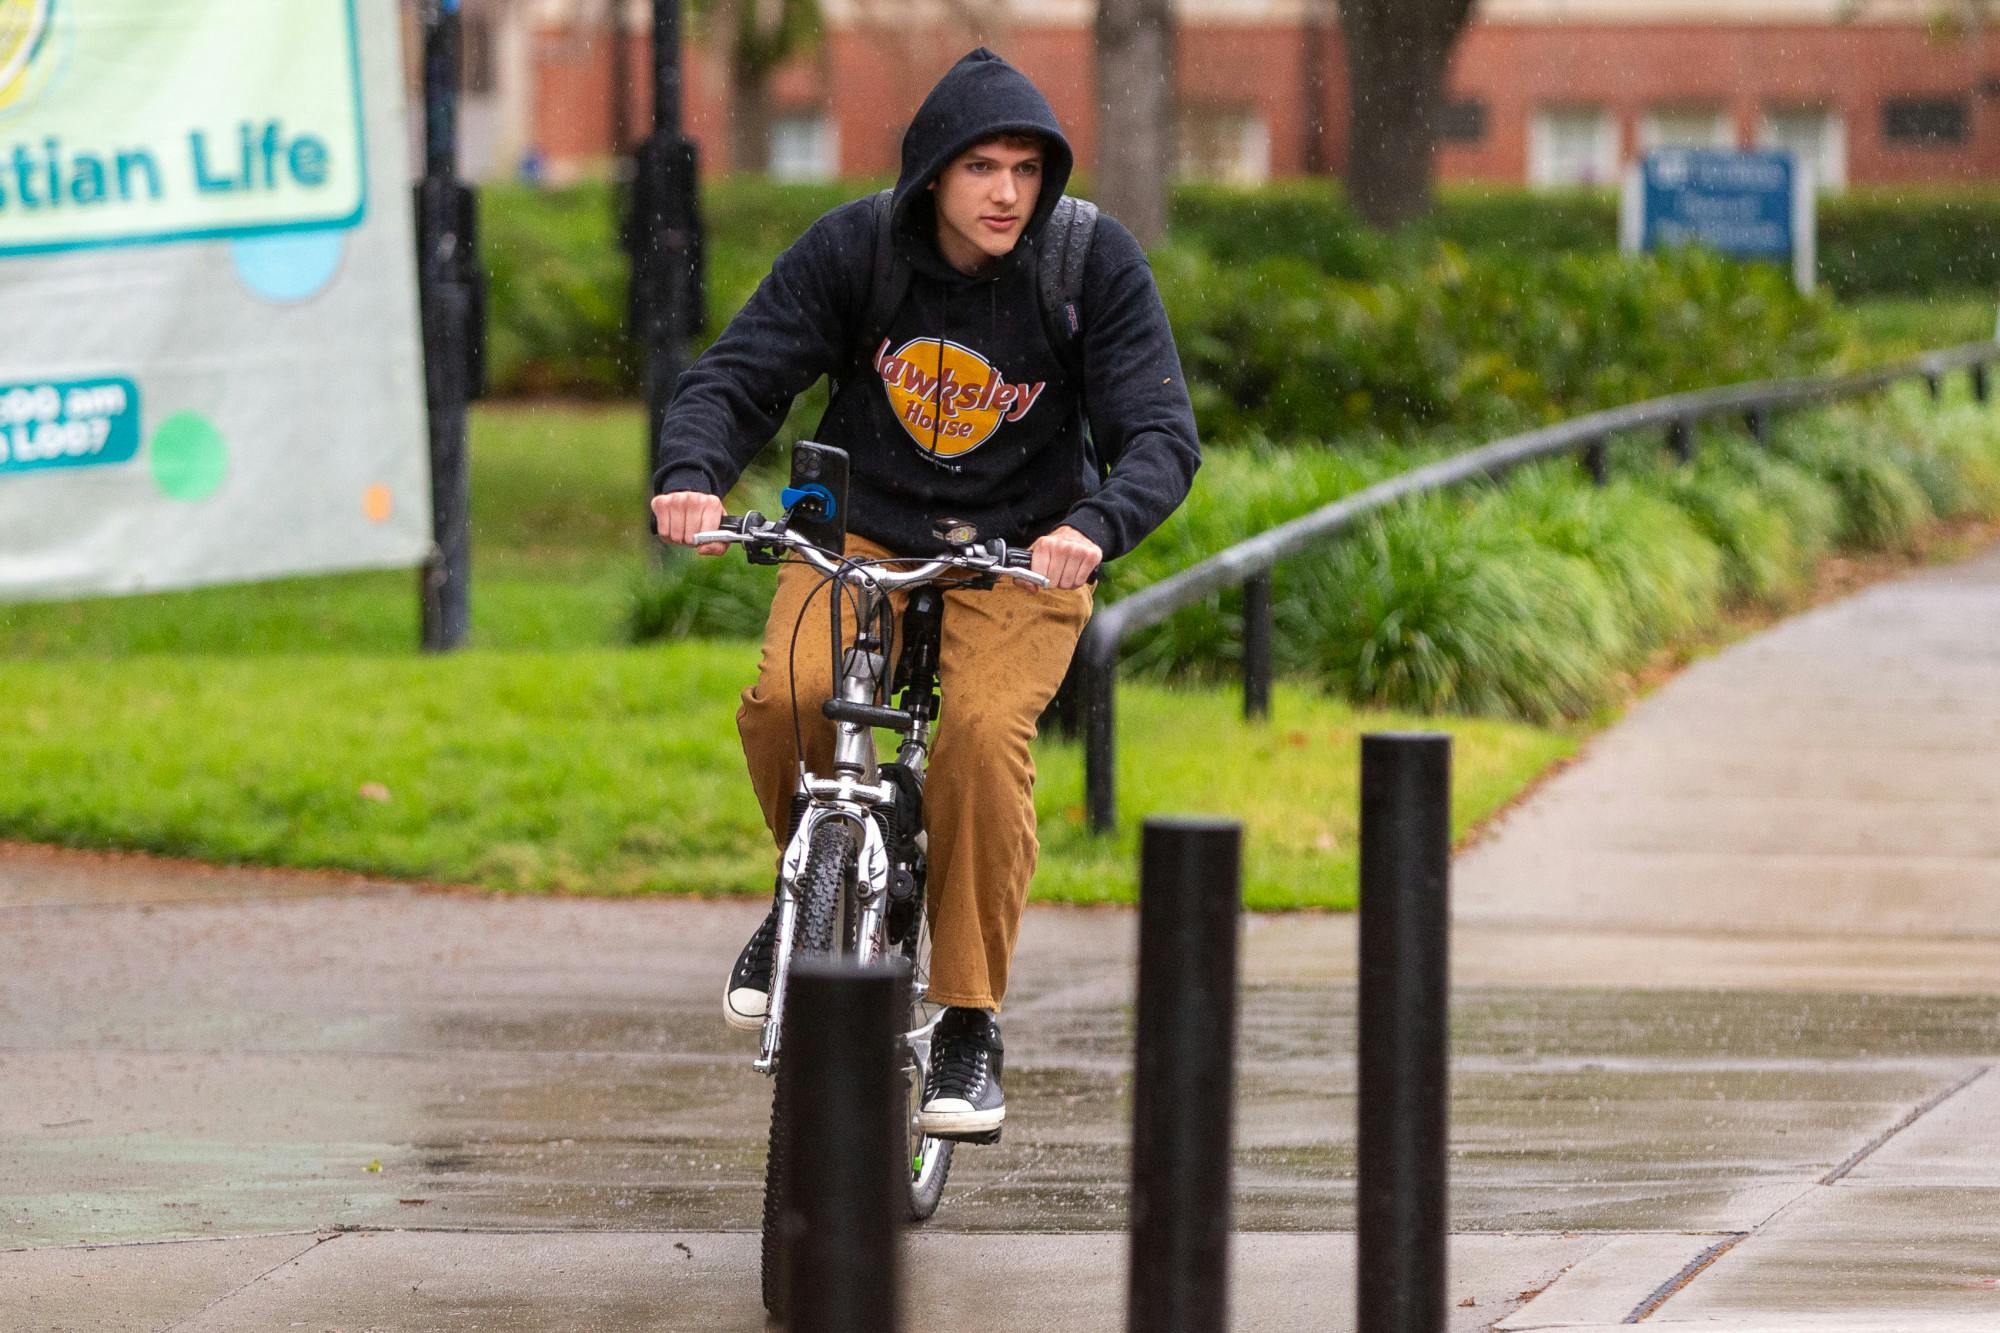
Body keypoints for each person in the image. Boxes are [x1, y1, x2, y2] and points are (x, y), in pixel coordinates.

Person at [650, 48, 1199, 1139]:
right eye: (981, 168)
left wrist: (1092, 526)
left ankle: (966, 1015)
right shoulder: (856, 250)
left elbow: (1160, 435)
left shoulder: (1087, 262)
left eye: (1025, 169)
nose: (1006, 193)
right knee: (789, 699)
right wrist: (688, 477)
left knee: (981, 739)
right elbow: (738, 375)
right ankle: (802, 883)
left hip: (1021, 550)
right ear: (930, 177)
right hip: (858, 528)